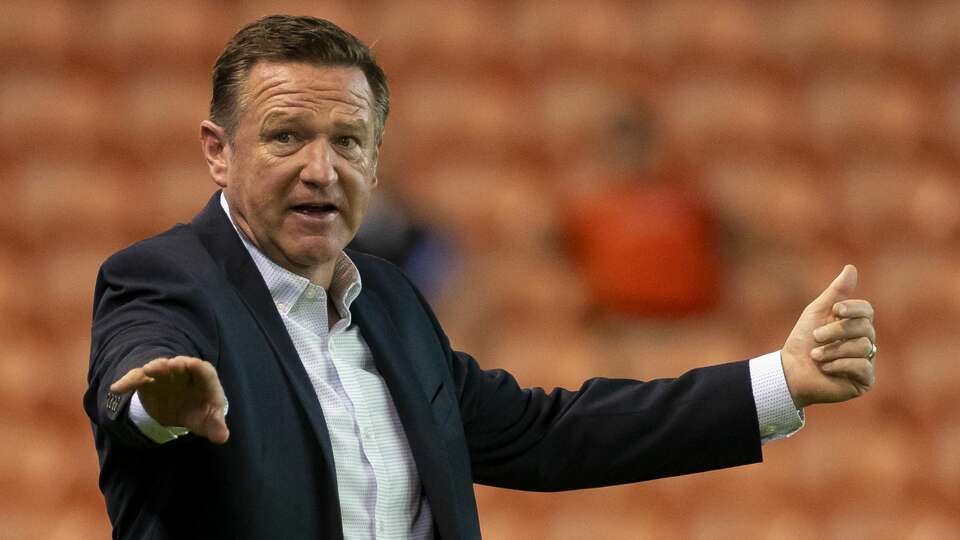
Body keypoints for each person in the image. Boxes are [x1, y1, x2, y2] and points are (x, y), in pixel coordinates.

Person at [84, 15, 878, 540]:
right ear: (218, 150)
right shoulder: (162, 278)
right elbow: (137, 374)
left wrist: (782, 381)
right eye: (285, 136)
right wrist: (160, 405)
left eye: (349, 142)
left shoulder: (391, 302)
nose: (321, 170)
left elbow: (547, 434)